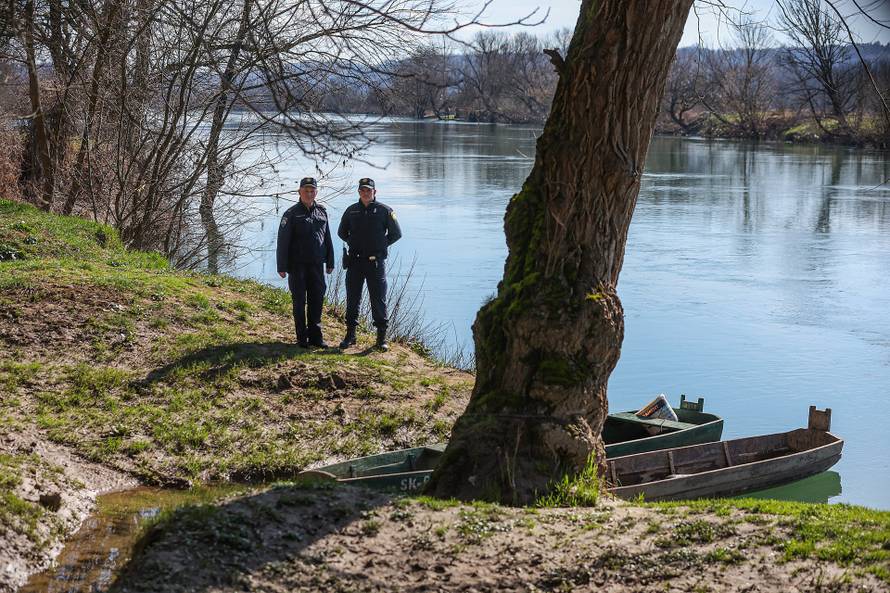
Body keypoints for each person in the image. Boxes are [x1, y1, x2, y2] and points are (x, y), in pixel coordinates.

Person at [337, 177, 402, 351]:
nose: (366, 193)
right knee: (352, 299)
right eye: (363, 190)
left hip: (375, 263)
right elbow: (341, 232)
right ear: (359, 192)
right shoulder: (351, 211)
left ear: (375, 192)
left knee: (378, 299)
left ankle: (381, 339)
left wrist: (381, 244)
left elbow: (396, 234)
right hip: (355, 262)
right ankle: (350, 335)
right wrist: (353, 242)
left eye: (369, 190)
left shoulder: (384, 211)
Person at [276, 177, 334, 348]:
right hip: (297, 266)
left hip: (317, 265)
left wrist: (330, 261)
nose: (309, 194)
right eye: (306, 190)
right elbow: (283, 241)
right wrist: (281, 266)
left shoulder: (321, 212)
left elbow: (327, 238)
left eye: (312, 191)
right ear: (299, 192)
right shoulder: (291, 214)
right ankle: (302, 338)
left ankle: (316, 337)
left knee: (317, 300)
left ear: (316, 192)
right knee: (299, 301)